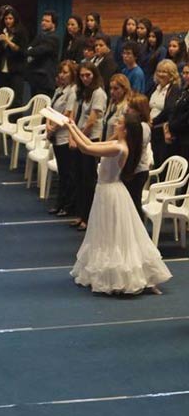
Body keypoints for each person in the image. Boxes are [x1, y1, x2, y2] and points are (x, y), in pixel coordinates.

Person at [66, 113, 171, 295]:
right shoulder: (116, 144)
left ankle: (128, 276)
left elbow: (86, 148)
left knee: (116, 235)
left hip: (111, 193)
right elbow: (90, 143)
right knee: (107, 233)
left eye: (119, 123)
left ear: (126, 130)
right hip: (106, 191)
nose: (115, 123)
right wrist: (73, 125)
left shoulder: (119, 148)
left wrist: (69, 127)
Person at [70, 62, 107, 232]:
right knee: (79, 177)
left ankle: (88, 217)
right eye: (82, 75)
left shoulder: (98, 93)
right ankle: (80, 213)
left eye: (88, 75)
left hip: (91, 139)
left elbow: (91, 121)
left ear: (94, 75)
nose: (85, 78)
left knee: (88, 179)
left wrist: (78, 137)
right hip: (81, 137)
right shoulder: (83, 92)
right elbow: (76, 115)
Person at [46, 60, 78, 217]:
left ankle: (68, 205)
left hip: (65, 135)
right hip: (56, 136)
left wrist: (53, 128)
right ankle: (60, 203)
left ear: (72, 74)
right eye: (61, 72)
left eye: (65, 72)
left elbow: (67, 114)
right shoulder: (59, 89)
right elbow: (51, 109)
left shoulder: (73, 91)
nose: (62, 75)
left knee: (68, 173)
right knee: (62, 172)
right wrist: (48, 125)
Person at [0, 5, 28, 108]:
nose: (8, 21)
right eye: (6, 18)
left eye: (10, 18)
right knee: (2, 98)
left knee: (16, 99)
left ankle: (15, 117)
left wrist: (7, 40)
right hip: (1, 69)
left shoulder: (21, 31)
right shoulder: (2, 30)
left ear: (15, 19)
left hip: (16, 70)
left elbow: (21, 50)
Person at [124, 94, 154, 218]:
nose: (127, 110)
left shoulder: (143, 127)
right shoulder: (137, 125)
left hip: (138, 170)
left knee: (135, 204)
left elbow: (135, 150)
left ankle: (138, 228)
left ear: (139, 111)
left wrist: (130, 171)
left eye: (131, 108)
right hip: (135, 169)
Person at [149, 59, 182, 167]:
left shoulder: (174, 89)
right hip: (153, 130)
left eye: (164, 72)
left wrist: (153, 121)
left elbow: (169, 109)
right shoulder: (156, 88)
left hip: (162, 130)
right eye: (159, 71)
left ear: (172, 74)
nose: (160, 74)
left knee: (162, 162)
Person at [25, 10, 60, 97]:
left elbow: (38, 51)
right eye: (43, 20)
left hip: (45, 79)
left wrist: (29, 51)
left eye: (47, 21)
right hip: (35, 78)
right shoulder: (40, 36)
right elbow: (30, 47)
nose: (43, 23)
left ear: (54, 24)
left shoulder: (53, 38)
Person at [168, 63, 189, 162]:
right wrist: (170, 125)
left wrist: (173, 125)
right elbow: (174, 108)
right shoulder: (183, 90)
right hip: (178, 134)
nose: (185, 76)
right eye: (183, 73)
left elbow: (186, 116)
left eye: (188, 73)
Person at [103, 74, 132, 140]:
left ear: (124, 89)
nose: (112, 92)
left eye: (116, 88)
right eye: (111, 88)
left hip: (115, 143)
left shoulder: (126, 107)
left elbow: (121, 131)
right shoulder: (112, 104)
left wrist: (107, 143)